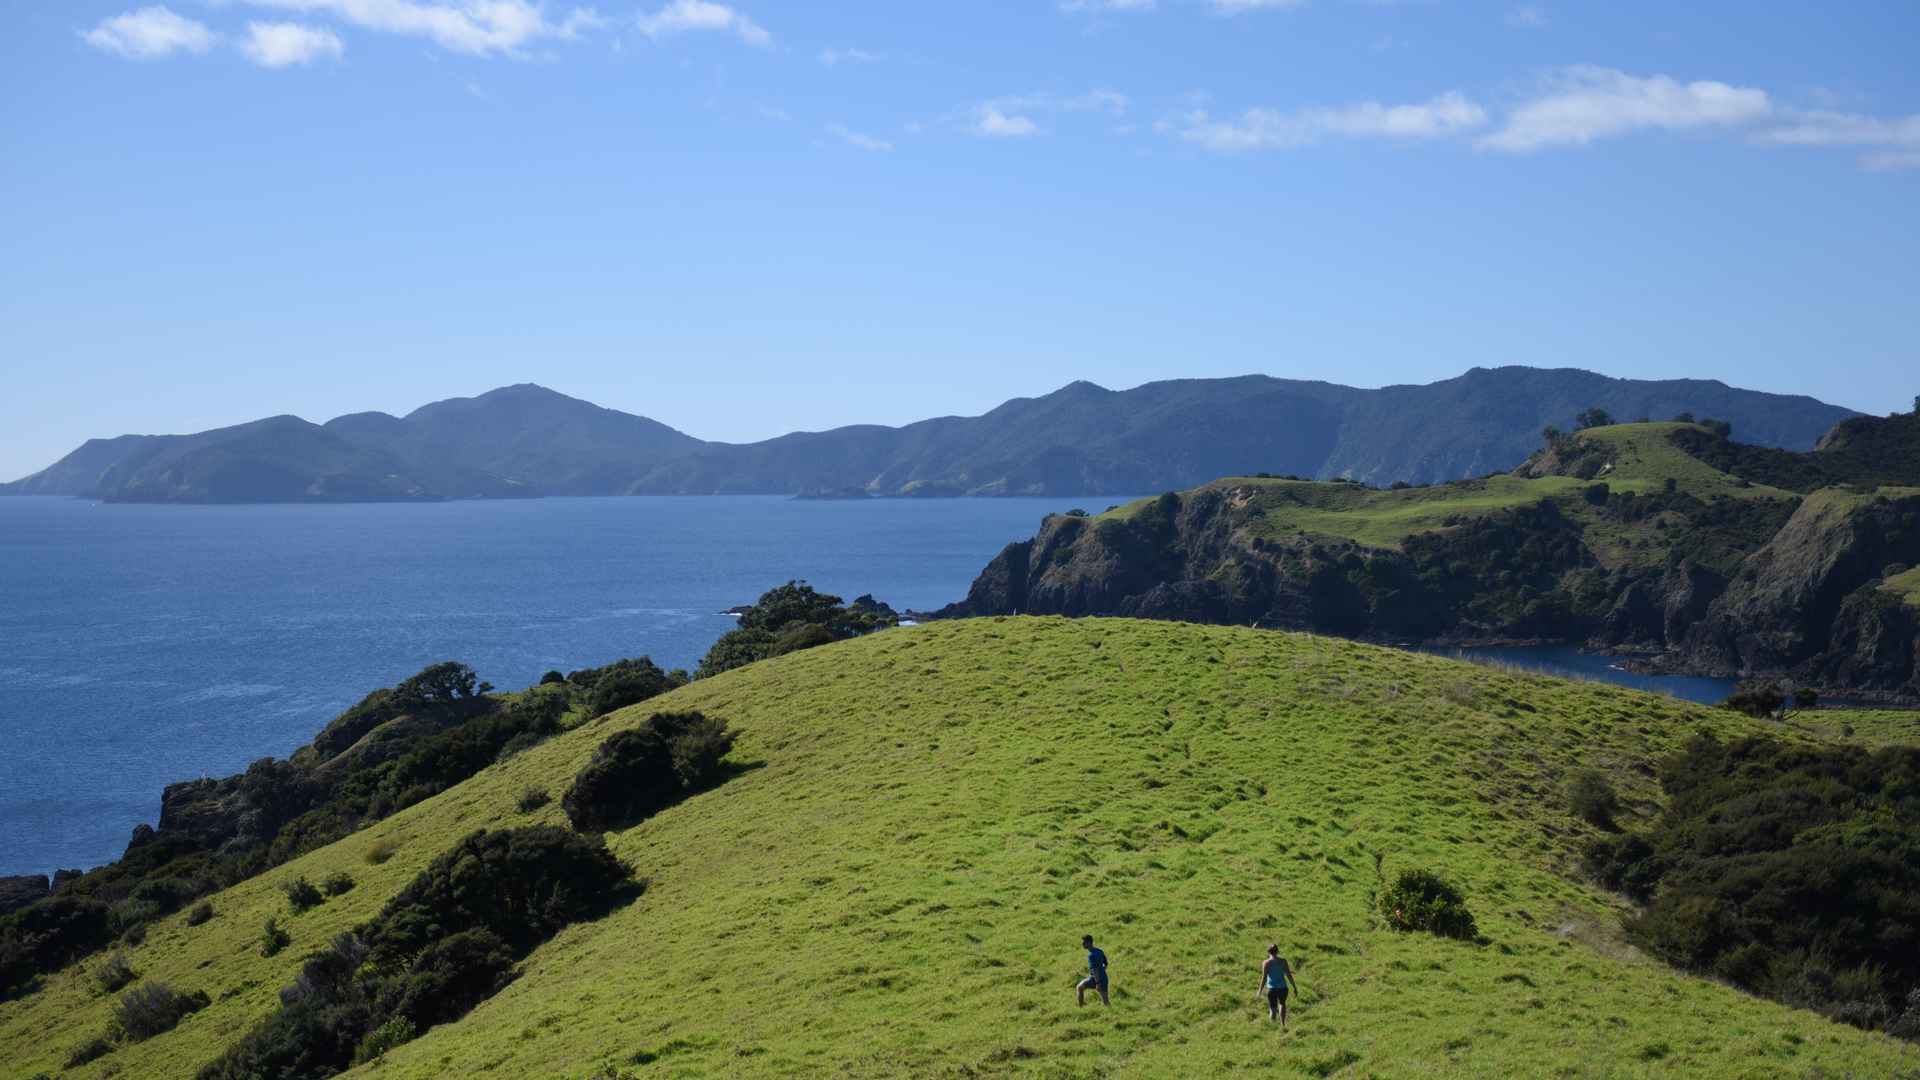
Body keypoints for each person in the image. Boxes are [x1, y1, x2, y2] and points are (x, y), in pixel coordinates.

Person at [1260, 944, 1298, 1026]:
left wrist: (1260, 990)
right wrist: (1294, 987)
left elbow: (1264, 978)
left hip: (1272, 988)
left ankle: (1272, 1026)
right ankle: (1283, 1024)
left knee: (1272, 1009)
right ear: (1277, 951)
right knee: (1282, 1004)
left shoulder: (1266, 963)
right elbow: (1289, 975)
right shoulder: (1283, 961)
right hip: (1283, 988)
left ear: (1268, 952)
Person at [1076, 934, 1110, 1007]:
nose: (1082, 944)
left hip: (1098, 980)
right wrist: (1102, 971)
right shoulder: (1099, 951)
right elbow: (1106, 963)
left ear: (1089, 942)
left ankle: (1081, 1007)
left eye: (1084, 942)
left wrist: (1098, 983)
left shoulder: (1091, 955)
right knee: (1080, 987)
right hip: (1102, 978)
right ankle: (1081, 1007)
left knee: (1106, 1002)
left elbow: (1094, 969)